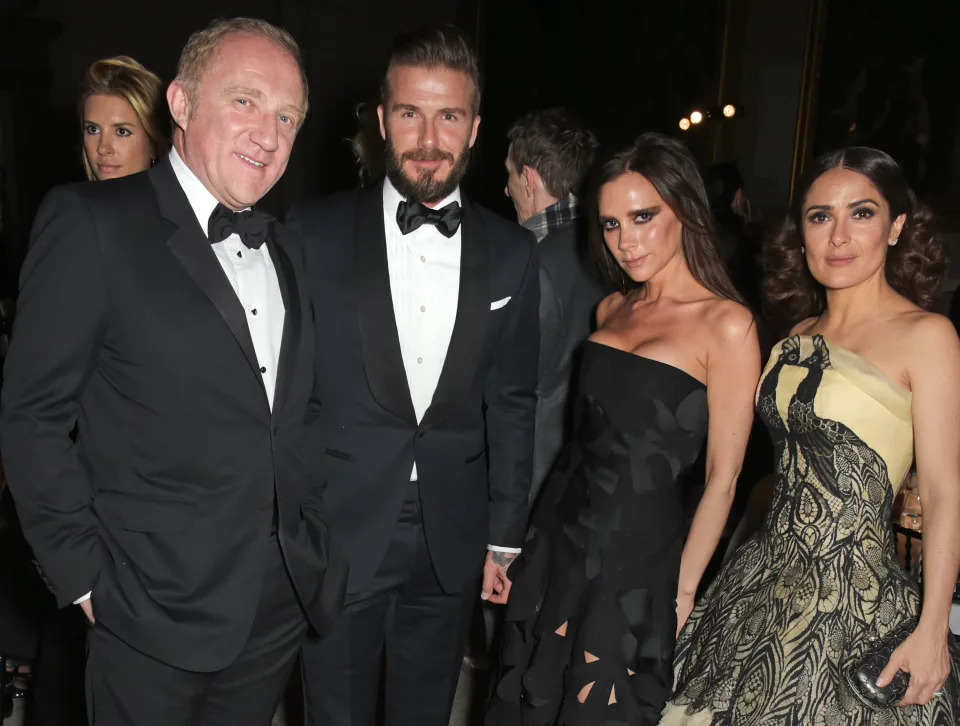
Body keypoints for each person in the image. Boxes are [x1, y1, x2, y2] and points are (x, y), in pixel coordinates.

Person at [0, 17, 346, 726]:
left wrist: (312, 528)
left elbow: (297, 413)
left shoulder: (288, 249)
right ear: (182, 105)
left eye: (287, 116)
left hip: (276, 605)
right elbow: (32, 416)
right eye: (245, 101)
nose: (270, 133)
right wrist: (83, 579)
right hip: (144, 611)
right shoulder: (91, 222)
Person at [288, 24, 539, 726]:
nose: (429, 138)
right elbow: (284, 389)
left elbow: (514, 400)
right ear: (381, 118)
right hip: (340, 527)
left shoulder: (514, 253)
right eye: (410, 113)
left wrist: (504, 535)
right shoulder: (311, 231)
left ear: (475, 127)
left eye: (449, 116)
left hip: (452, 536)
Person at [663, 146, 960, 724]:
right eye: (820, 216)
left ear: (897, 226)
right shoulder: (794, 333)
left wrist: (932, 628)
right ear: (801, 233)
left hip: (854, 601)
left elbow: (946, 492)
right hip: (758, 580)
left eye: (863, 213)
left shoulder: (928, 336)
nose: (839, 236)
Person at [487, 132, 760, 725]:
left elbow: (724, 478)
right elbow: (576, 445)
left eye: (642, 217)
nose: (626, 241)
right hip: (557, 538)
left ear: (685, 209)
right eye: (611, 225)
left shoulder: (727, 325)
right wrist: (523, 544)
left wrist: (682, 590)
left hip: (635, 560)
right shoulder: (610, 309)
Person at [504, 107, 606, 503]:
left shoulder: (533, 265)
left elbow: (512, 391)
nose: (505, 188)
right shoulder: (607, 247)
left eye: (509, 174)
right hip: (586, 470)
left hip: (532, 478)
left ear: (528, 179)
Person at [79, 55, 168, 181]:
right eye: (93, 130)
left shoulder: (184, 200)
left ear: (153, 144)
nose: (103, 148)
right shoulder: (65, 199)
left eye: (122, 132)